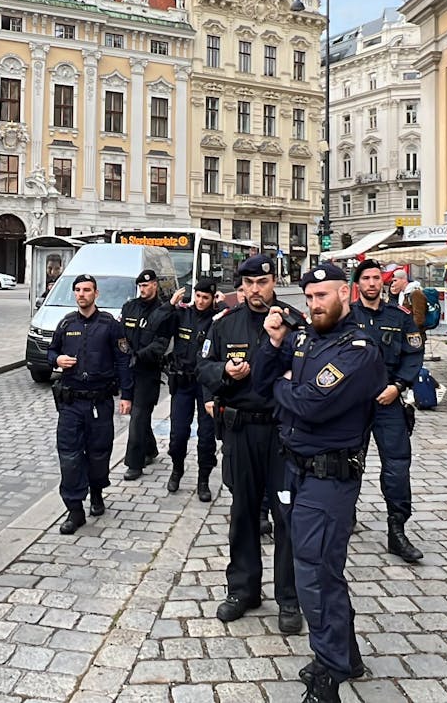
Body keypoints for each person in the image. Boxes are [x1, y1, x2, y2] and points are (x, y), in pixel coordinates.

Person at [252, 262, 384, 703]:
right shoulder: (306, 337)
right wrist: (274, 346)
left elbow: (311, 405)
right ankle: (346, 655)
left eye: (322, 296)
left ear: (344, 293)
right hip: (297, 470)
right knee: (321, 570)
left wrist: (285, 390)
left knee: (313, 576)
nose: (313, 305)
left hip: (330, 477)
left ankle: (329, 674)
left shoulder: (359, 348)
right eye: (308, 298)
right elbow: (263, 379)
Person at [198, 254, 301, 633]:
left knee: (287, 517)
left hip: (282, 433)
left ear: (274, 281)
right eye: (248, 284)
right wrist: (225, 371)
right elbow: (203, 368)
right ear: (240, 285)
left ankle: (289, 598)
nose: (255, 290)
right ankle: (243, 590)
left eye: (262, 282)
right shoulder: (225, 325)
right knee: (243, 514)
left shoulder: (293, 322)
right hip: (240, 431)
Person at [347, 259, 425, 563]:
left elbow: (413, 354)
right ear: (358, 284)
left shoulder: (400, 316)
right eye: (365, 278)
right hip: (352, 405)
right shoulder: (346, 317)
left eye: (376, 278)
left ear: (383, 282)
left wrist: (398, 386)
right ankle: (345, 514)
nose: (371, 283)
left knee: (397, 466)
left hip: (388, 401)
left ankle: (397, 530)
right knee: (347, 462)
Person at [46, 274, 133, 534]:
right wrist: (57, 360)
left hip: (99, 402)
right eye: (78, 290)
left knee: (98, 453)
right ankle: (74, 509)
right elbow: (51, 351)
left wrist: (127, 395)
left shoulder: (109, 325)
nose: (82, 294)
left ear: (96, 294)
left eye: (87, 290)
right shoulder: (66, 323)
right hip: (71, 403)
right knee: (70, 456)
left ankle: (96, 492)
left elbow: (123, 360)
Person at [165, 279, 219, 500]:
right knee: (178, 434)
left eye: (205, 297)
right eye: (198, 296)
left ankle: (203, 479)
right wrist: (170, 305)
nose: (200, 301)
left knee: (206, 437)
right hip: (183, 382)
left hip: (206, 385)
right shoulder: (182, 314)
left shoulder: (218, 320)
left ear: (212, 299)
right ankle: (177, 468)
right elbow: (157, 325)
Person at [119, 269, 174, 481]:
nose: (143, 289)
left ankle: (134, 463)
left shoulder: (163, 311)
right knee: (141, 418)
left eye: (147, 285)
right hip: (129, 369)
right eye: (140, 286)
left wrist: (139, 356)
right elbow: (121, 336)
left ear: (155, 286)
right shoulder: (129, 307)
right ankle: (150, 449)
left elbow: (161, 343)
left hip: (148, 371)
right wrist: (124, 356)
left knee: (138, 415)